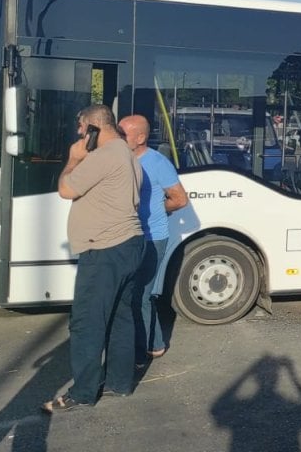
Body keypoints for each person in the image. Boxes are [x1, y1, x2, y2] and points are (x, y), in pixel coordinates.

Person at [44, 105, 145, 413]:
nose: (78, 134)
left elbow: (65, 189)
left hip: (104, 250)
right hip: (130, 245)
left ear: (94, 127)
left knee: (88, 322)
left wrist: (73, 159)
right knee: (120, 316)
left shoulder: (103, 157)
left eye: (81, 128)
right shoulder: (127, 154)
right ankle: (119, 382)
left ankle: (84, 392)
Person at [118, 115, 188, 363]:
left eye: (122, 133)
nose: (117, 136)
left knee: (142, 293)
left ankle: (151, 346)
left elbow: (180, 199)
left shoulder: (158, 163)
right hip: (130, 235)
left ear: (140, 138)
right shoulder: (120, 159)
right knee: (135, 293)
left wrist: (156, 209)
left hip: (153, 237)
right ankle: (151, 342)